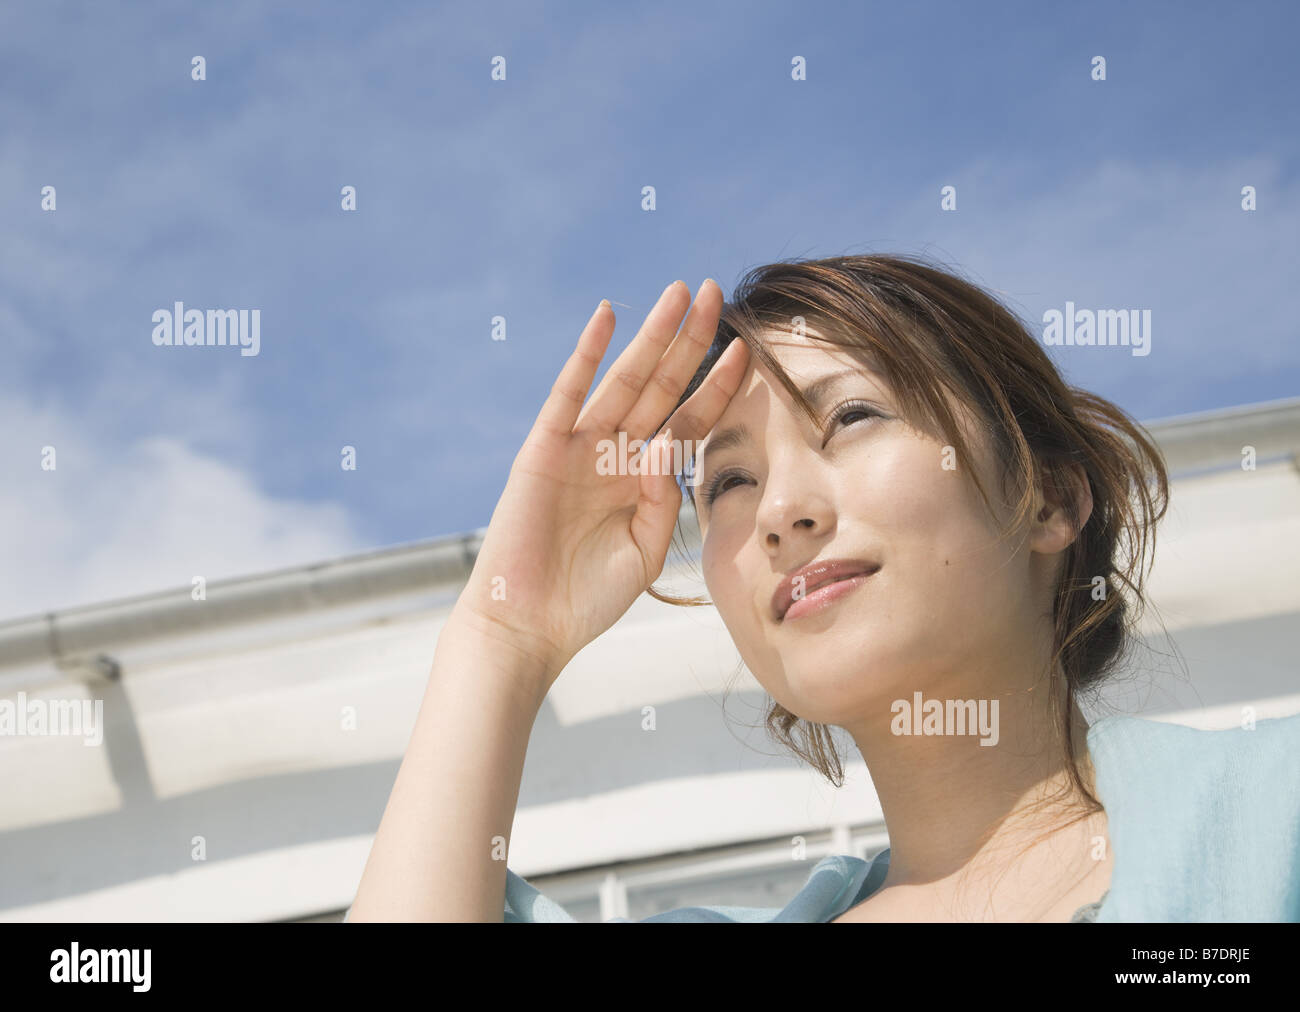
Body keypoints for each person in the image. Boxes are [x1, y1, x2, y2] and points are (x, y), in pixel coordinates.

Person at [346, 254, 1300, 923]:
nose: (779, 512)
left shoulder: (1273, 820)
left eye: (850, 416)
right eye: (728, 481)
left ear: (1047, 498)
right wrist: (502, 634)